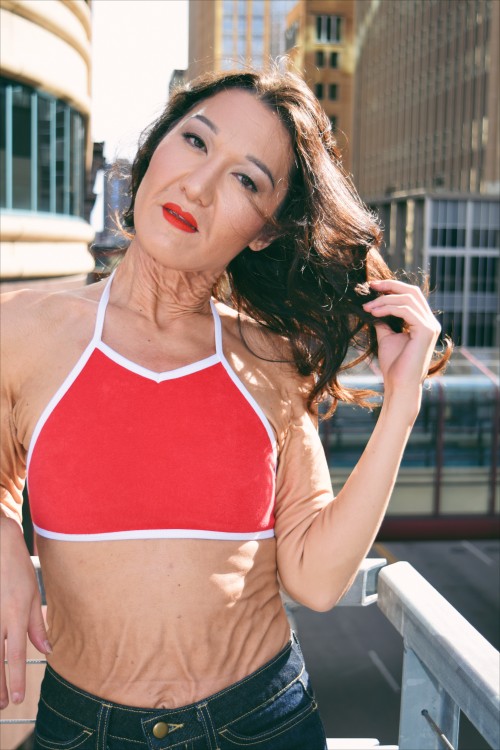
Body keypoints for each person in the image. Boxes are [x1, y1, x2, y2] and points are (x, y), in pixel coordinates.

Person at [0, 68, 450, 749]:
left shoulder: (269, 363)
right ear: (154, 152)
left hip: (260, 726)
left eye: (247, 180)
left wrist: (403, 402)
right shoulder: (24, 329)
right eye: (195, 142)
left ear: (266, 231)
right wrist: (3, 534)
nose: (200, 187)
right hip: (79, 730)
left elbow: (317, 577)